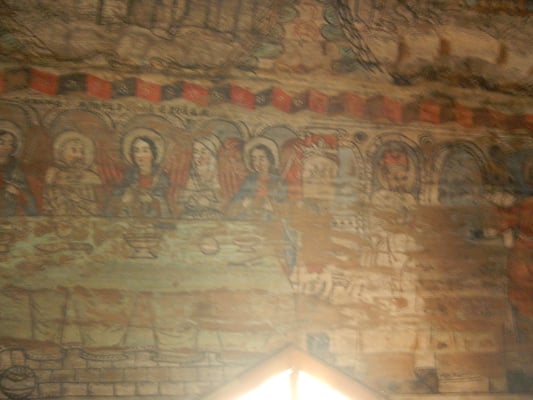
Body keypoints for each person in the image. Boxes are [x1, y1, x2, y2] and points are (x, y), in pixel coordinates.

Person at [105, 129, 170, 217]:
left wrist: (152, 200)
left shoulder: (161, 177)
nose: (140, 156)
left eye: (145, 151)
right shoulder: (129, 175)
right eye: (136, 151)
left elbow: (165, 202)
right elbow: (115, 197)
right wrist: (123, 198)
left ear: (153, 153)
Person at [43, 131, 102, 216]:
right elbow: (50, 202)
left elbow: (93, 204)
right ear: (61, 152)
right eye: (73, 150)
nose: (79, 156)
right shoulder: (54, 175)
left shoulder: (89, 176)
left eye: (82, 151)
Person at [228, 137, 287, 220]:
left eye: (261, 159)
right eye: (254, 159)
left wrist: (271, 204)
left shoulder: (278, 181)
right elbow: (235, 202)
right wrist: (244, 203)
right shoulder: (249, 180)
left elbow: (285, 206)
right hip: (250, 219)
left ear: (270, 160)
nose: (257, 163)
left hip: (271, 221)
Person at [177, 134, 224, 219]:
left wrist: (209, 202)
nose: (199, 156)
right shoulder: (189, 175)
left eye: (203, 152)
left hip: (213, 217)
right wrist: (191, 200)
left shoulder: (219, 175)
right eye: (196, 152)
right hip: (191, 215)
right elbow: (180, 200)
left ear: (212, 154)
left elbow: (224, 201)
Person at [0, 122, 38, 216]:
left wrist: (18, 193)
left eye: (11, 143)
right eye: (2, 142)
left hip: (10, 214)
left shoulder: (16, 169)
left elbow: (31, 202)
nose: (7, 147)